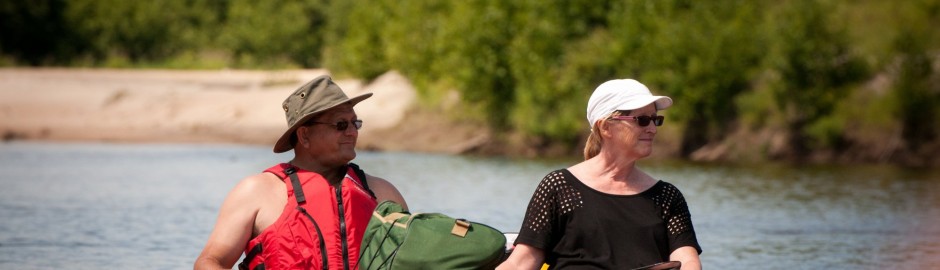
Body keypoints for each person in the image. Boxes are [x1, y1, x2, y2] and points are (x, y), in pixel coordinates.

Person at [194, 75, 408, 270]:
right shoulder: (256, 192)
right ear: (304, 135)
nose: (352, 132)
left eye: (355, 123)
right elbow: (209, 262)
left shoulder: (383, 193)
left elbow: (415, 260)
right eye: (341, 124)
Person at [498, 79, 702, 270]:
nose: (652, 129)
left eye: (655, 120)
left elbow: (687, 261)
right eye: (642, 120)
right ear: (605, 127)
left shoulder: (667, 197)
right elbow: (521, 263)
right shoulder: (559, 187)